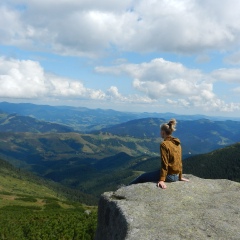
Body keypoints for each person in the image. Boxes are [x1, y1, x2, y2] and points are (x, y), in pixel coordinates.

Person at [129, 119, 189, 188]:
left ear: (163, 132)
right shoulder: (177, 143)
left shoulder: (164, 144)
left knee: (142, 177)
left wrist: (161, 180)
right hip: (176, 175)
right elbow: (179, 161)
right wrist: (180, 176)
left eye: (160, 131)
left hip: (169, 176)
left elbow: (164, 163)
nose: (160, 133)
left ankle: (125, 189)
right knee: (154, 173)